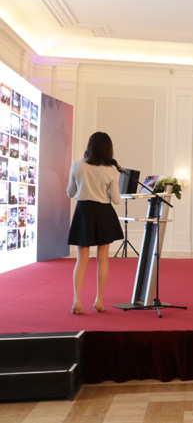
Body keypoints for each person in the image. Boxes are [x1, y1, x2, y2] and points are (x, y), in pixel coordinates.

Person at [66, 131, 124, 314]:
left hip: (83, 212)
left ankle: (77, 300)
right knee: (103, 258)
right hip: (103, 213)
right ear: (108, 149)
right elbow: (116, 200)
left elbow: (70, 192)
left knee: (82, 258)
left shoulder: (77, 165)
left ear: (89, 147)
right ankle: (98, 301)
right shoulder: (111, 170)